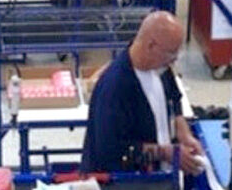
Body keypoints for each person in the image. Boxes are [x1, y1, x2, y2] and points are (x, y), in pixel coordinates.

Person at [81, 11, 204, 175]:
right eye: (171, 53)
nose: (174, 60)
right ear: (151, 45)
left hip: (158, 176)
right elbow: (111, 152)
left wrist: (183, 132)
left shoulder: (160, 67)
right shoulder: (115, 88)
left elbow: (174, 97)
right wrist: (166, 153)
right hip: (124, 185)